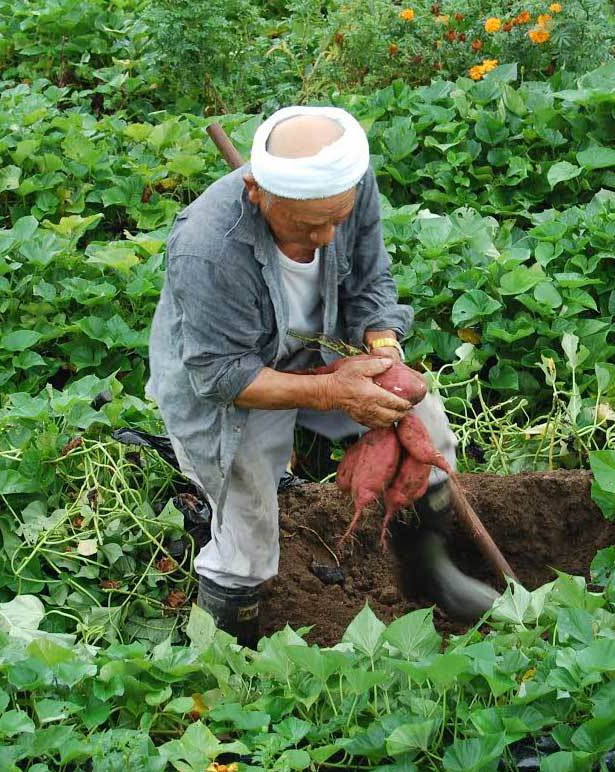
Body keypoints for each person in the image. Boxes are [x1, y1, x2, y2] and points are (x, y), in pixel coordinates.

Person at [147, 105, 462, 646]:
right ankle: (224, 659)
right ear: (256, 191)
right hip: (233, 389)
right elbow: (222, 377)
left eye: (335, 219)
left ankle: (431, 571)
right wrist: (332, 393)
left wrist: (384, 353)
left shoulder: (347, 187)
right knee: (247, 538)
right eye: (306, 225)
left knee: (429, 433)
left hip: (324, 350)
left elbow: (369, 281)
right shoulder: (208, 247)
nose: (323, 237)